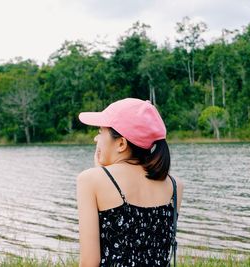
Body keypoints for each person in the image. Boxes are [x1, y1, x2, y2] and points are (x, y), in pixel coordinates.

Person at [76, 98, 184, 267]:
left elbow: (89, 263)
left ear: (121, 143)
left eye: (100, 132)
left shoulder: (90, 180)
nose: (96, 139)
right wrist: (103, 171)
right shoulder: (175, 186)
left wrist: (100, 173)